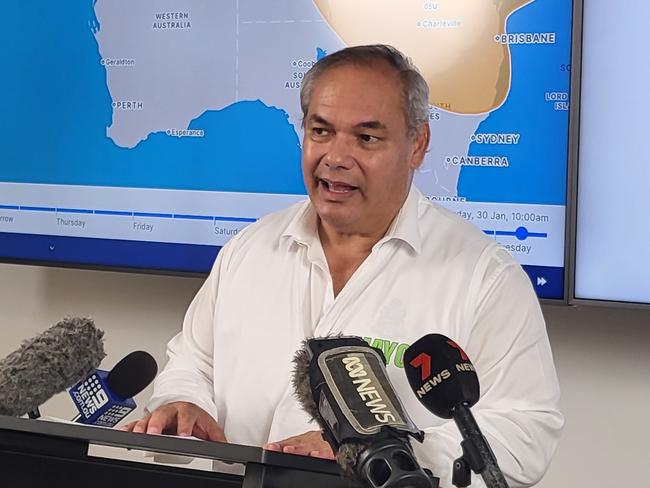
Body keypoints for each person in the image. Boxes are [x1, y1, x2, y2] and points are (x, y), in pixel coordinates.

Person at [122, 45, 563, 487]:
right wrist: (183, 401)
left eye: (366, 138)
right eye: (321, 131)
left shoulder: (484, 277)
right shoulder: (249, 248)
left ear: (418, 144)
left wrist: (387, 451)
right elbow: (193, 361)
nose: (335, 156)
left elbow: (526, 432)